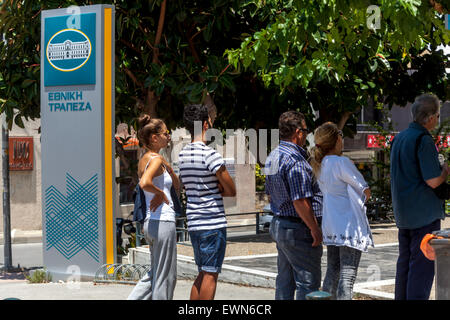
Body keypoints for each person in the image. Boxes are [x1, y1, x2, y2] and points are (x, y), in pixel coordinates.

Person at [390, 93, 448, 300]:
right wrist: (445, 171)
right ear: (431, 117)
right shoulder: (423, 139)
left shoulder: (400, 137)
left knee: (404, 264)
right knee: (422, 268)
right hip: (423, 214)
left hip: (403, 213)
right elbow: (433, 180)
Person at [178, 104, 236, 300]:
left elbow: (186, 186)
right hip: (213, 221)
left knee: (202, 272)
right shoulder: (210, 154)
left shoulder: (182, 155)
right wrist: (217, 188)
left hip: (194, 222)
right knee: (211, 274)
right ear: (205, 124)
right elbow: (231, 189)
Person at [310, 122, 373, 300]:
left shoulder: (320, 164)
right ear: (337, 139)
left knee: (332, 269)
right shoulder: (341, 162)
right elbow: (364, 190)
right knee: (347, 273)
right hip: (348, 225)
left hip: (331, 224)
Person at [264, 111, 323, 300]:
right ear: (298, 132)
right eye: (305, 131)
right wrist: (314, 228)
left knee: (285, 281)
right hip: (298, 228)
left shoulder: (273, 155)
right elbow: (300, 200)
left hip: (280, 224)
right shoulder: (296, 161)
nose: (307, 135)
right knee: (308, 283)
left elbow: (270, 192)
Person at [127, 115, 180, 300]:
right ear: (154, 137)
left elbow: (176, 184)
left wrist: (169, 168)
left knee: (156, 274)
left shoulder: (146, 158)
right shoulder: (156, 159)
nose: (169, 136)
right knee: (166, 278)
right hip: (163, 222)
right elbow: (145, 183)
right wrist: (160, 193)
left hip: (152, 223)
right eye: (166, 133)